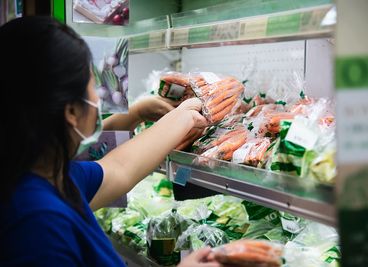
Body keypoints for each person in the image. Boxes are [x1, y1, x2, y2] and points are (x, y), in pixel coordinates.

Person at [0, 17, 220, 267]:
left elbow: (120, 168)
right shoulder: (37, 224)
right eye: (92, 85)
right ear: (71, 111)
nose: (97, 97)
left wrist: (183, 115)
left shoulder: (49, 177)